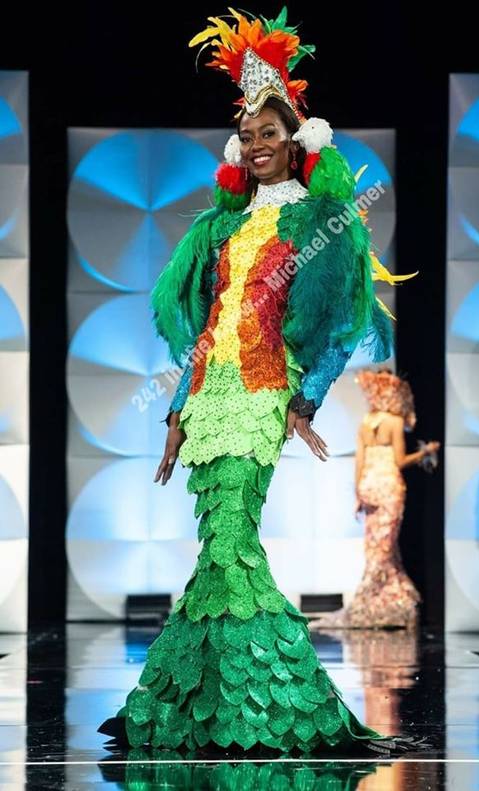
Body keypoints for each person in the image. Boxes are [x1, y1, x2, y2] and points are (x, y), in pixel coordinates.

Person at [99, 8, 419, 755]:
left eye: (269, 133)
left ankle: (277, 708)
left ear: (296, 138)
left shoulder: (319, 221)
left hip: (262, 393)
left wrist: (304, 402)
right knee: (217, 546)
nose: (257, 145)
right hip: (210, 398)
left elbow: (341, 323)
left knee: (235, 539)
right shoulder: (223, 227)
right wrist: (176, 414)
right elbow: (209, 327)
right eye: (247, 135)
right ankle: (188, 708)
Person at [310, 369, 440, 630]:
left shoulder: (366, 421)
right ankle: (382, 605)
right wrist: (426, 452)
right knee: (384, 549)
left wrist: (359, 493)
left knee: (379, 549)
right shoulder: (393, 421)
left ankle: (388, 606)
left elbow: (359, 462)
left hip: (370, 487)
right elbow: (400, 461)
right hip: (389, 487)